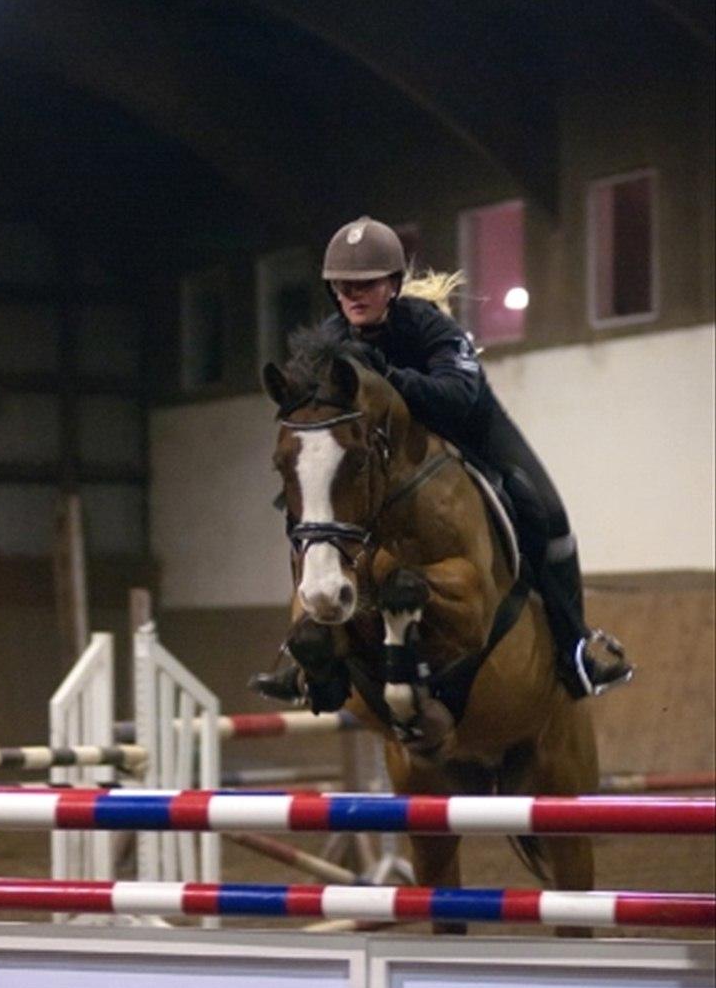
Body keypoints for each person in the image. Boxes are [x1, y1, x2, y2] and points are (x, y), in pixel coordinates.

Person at [252, 216, 632, 703]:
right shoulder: (331, 340)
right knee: (310, 508)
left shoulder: (427, 325)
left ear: (392, 285)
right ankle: (308, 652)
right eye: (344, 285)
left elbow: (458, 395)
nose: (353, 294)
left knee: (548, 513)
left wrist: (388, 375)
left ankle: (574, 648)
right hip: (391, 459)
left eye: (365, 284)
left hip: (470, 426)